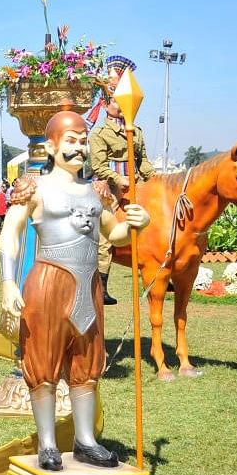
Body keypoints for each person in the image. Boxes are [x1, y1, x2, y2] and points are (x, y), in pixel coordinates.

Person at [0, 110, 150, 472]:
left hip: (88, 283)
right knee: (44, 361)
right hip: (49, 282)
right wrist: (7, 281)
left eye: (83, 140)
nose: (79, 147)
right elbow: (11, 233)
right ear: (51, 146)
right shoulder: (33, 187)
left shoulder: (94, 190)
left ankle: (86, 440)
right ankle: (48, 444)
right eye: (71, 140)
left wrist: (136, 225)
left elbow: (111, 233)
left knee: (87, 362)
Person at [88, 56, 155, 306]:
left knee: (153, 221)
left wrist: (155, 178)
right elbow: (98, 166)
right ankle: (102, 286)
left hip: (137, 184)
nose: (119, 104)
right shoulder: (99, 134)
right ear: (106, 105)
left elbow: (143, 160)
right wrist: (119, 179)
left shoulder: (136, 131)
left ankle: (158, 270)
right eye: (115, 100)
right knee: (106, 238)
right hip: (110, 188)